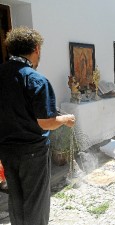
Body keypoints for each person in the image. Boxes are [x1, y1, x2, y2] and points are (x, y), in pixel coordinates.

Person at [0, 27, 76, 224]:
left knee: (16, 198)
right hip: (32, 152)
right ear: (36, 49)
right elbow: (46, 122)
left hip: (6, 150)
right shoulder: (35, 79)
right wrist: (65, 119)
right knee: (36, 202)